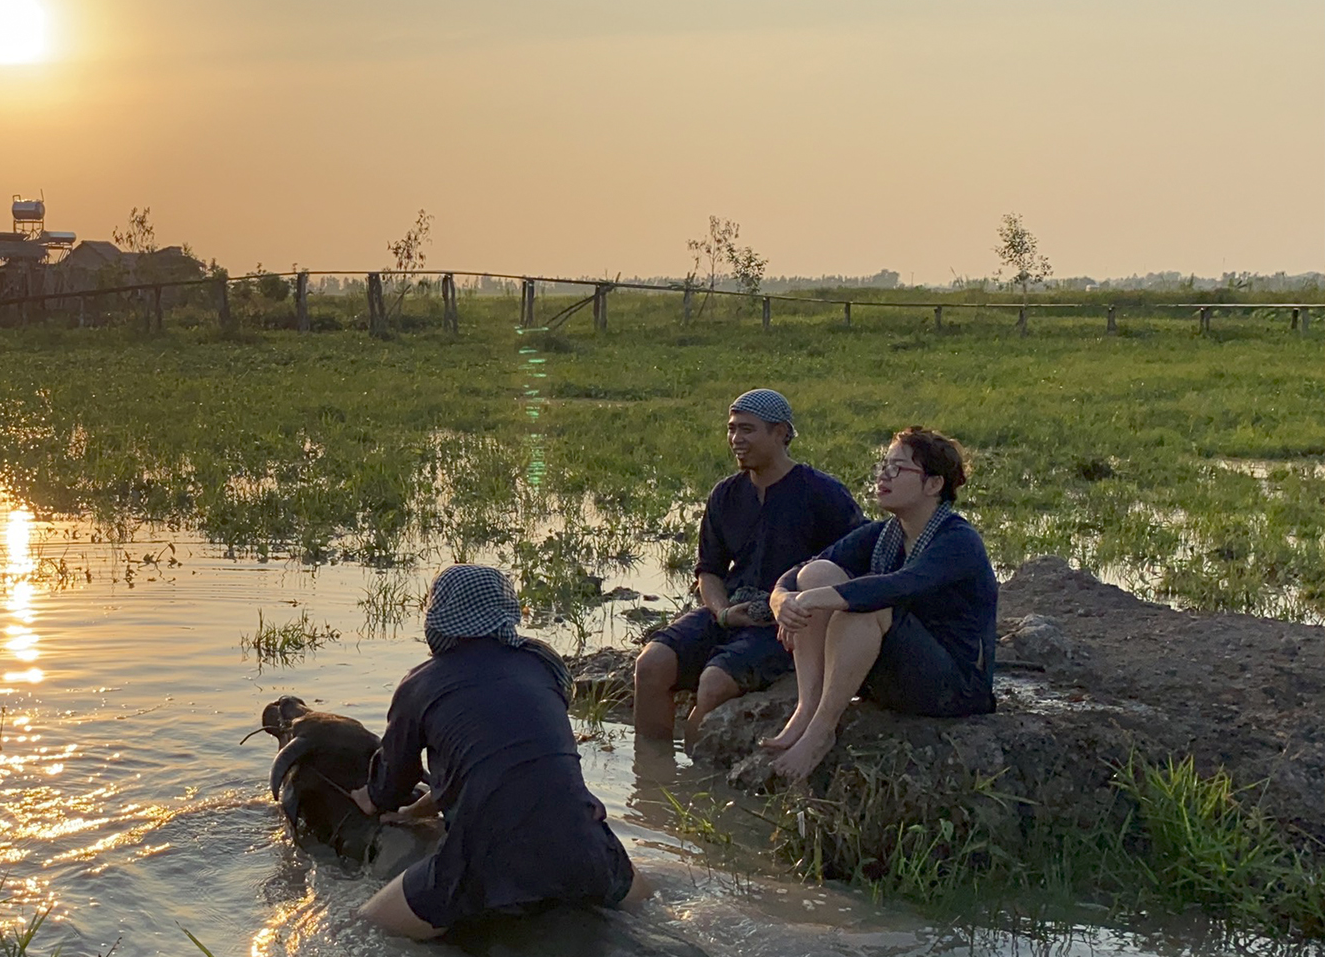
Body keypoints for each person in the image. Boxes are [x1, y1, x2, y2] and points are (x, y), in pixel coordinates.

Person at [349, 565, 649, 939]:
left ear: (437, 619)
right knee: (646, 904)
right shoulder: (541, 665)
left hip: (490, 861)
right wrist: (416, 812)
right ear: (506, 611)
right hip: (586, 846)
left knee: (365, 926)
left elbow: (391, 785)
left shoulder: (419, 684)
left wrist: (370, 798)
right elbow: (514, 768)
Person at [764, 426, 998, 781]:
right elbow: (801, 571)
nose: (882, 476)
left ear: (933, 484)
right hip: (896, 670)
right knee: (818, 573)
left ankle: (822, 730)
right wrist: (782, 599)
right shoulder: (886, 533)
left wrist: (810, 602)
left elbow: (899, 586)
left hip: (952, 686)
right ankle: (808, 706)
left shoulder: (958, 541)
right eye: (883, 466)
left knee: (864, 606)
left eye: (897, 468)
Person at [632, 389, 864, 740]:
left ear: (781, 433)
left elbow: (856, 565)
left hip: (784, 624)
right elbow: (708, 570)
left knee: (713, 683)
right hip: (731, 610)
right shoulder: (725, 494)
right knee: (650, 664)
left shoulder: (822, 493)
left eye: (747, 430)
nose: (736, 440)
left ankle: (689, 780)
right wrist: (723, 611)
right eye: (731, 429)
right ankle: (651, 777)